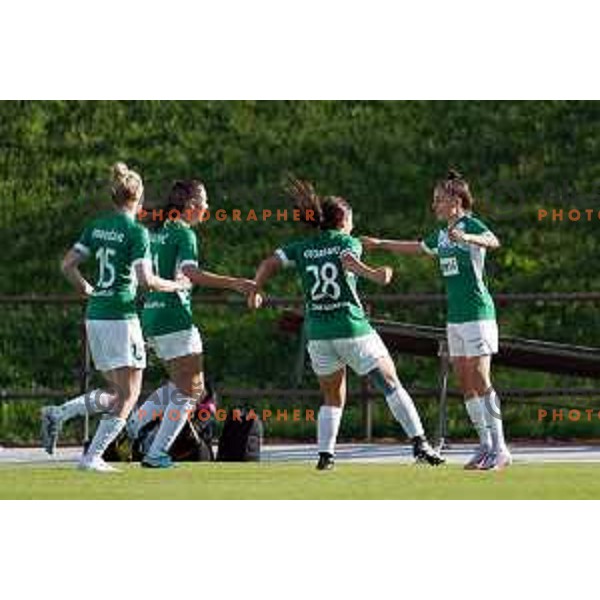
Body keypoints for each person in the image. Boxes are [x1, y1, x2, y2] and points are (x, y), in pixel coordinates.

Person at [250, 178, 444, 470]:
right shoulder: (346, 241)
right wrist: (376, 274)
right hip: (352, 330)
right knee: (391, 384)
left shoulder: (302, 247)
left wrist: (256, 289)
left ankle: (325, 456)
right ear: (343, 220)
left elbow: (268, 263)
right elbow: (348, 261)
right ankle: (420, 443)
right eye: (351, 218)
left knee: (332, 397)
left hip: (318, 335)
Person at [41, 162, 187, 472]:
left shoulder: (97, 226)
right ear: (140, 196)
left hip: (96, 315)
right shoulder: (137, 232)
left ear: (115, 196)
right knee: (130, 393)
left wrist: (88, 289)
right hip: (121, 316)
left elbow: (67, 265)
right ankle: (91, 457)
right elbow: (146, 280)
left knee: (116, 393)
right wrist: (176, 285)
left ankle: (60, 413)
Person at [362, 169, 511, 470]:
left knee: (482, 379)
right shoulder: (441, 234)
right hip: (455, 318)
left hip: (479, 315)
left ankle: (501, 449)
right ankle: (484, 445)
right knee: (465, 383)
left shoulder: (470, 224)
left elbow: (493, 240)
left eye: (439, 200)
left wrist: (467, 236)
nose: (435, 206)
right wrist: (380, 244)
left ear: (456, 200)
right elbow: (419, 247)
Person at [137, 179, 256, 468]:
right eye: (204, 202)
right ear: (191, 206)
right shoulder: (183, 233)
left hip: (152, 317)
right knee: (191, 391)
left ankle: (136, 427)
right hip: (175, 318)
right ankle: (154, 451)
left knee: (184, 386)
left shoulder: (157, 230)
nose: (207, 208)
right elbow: (191, 272)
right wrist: (235, 283)